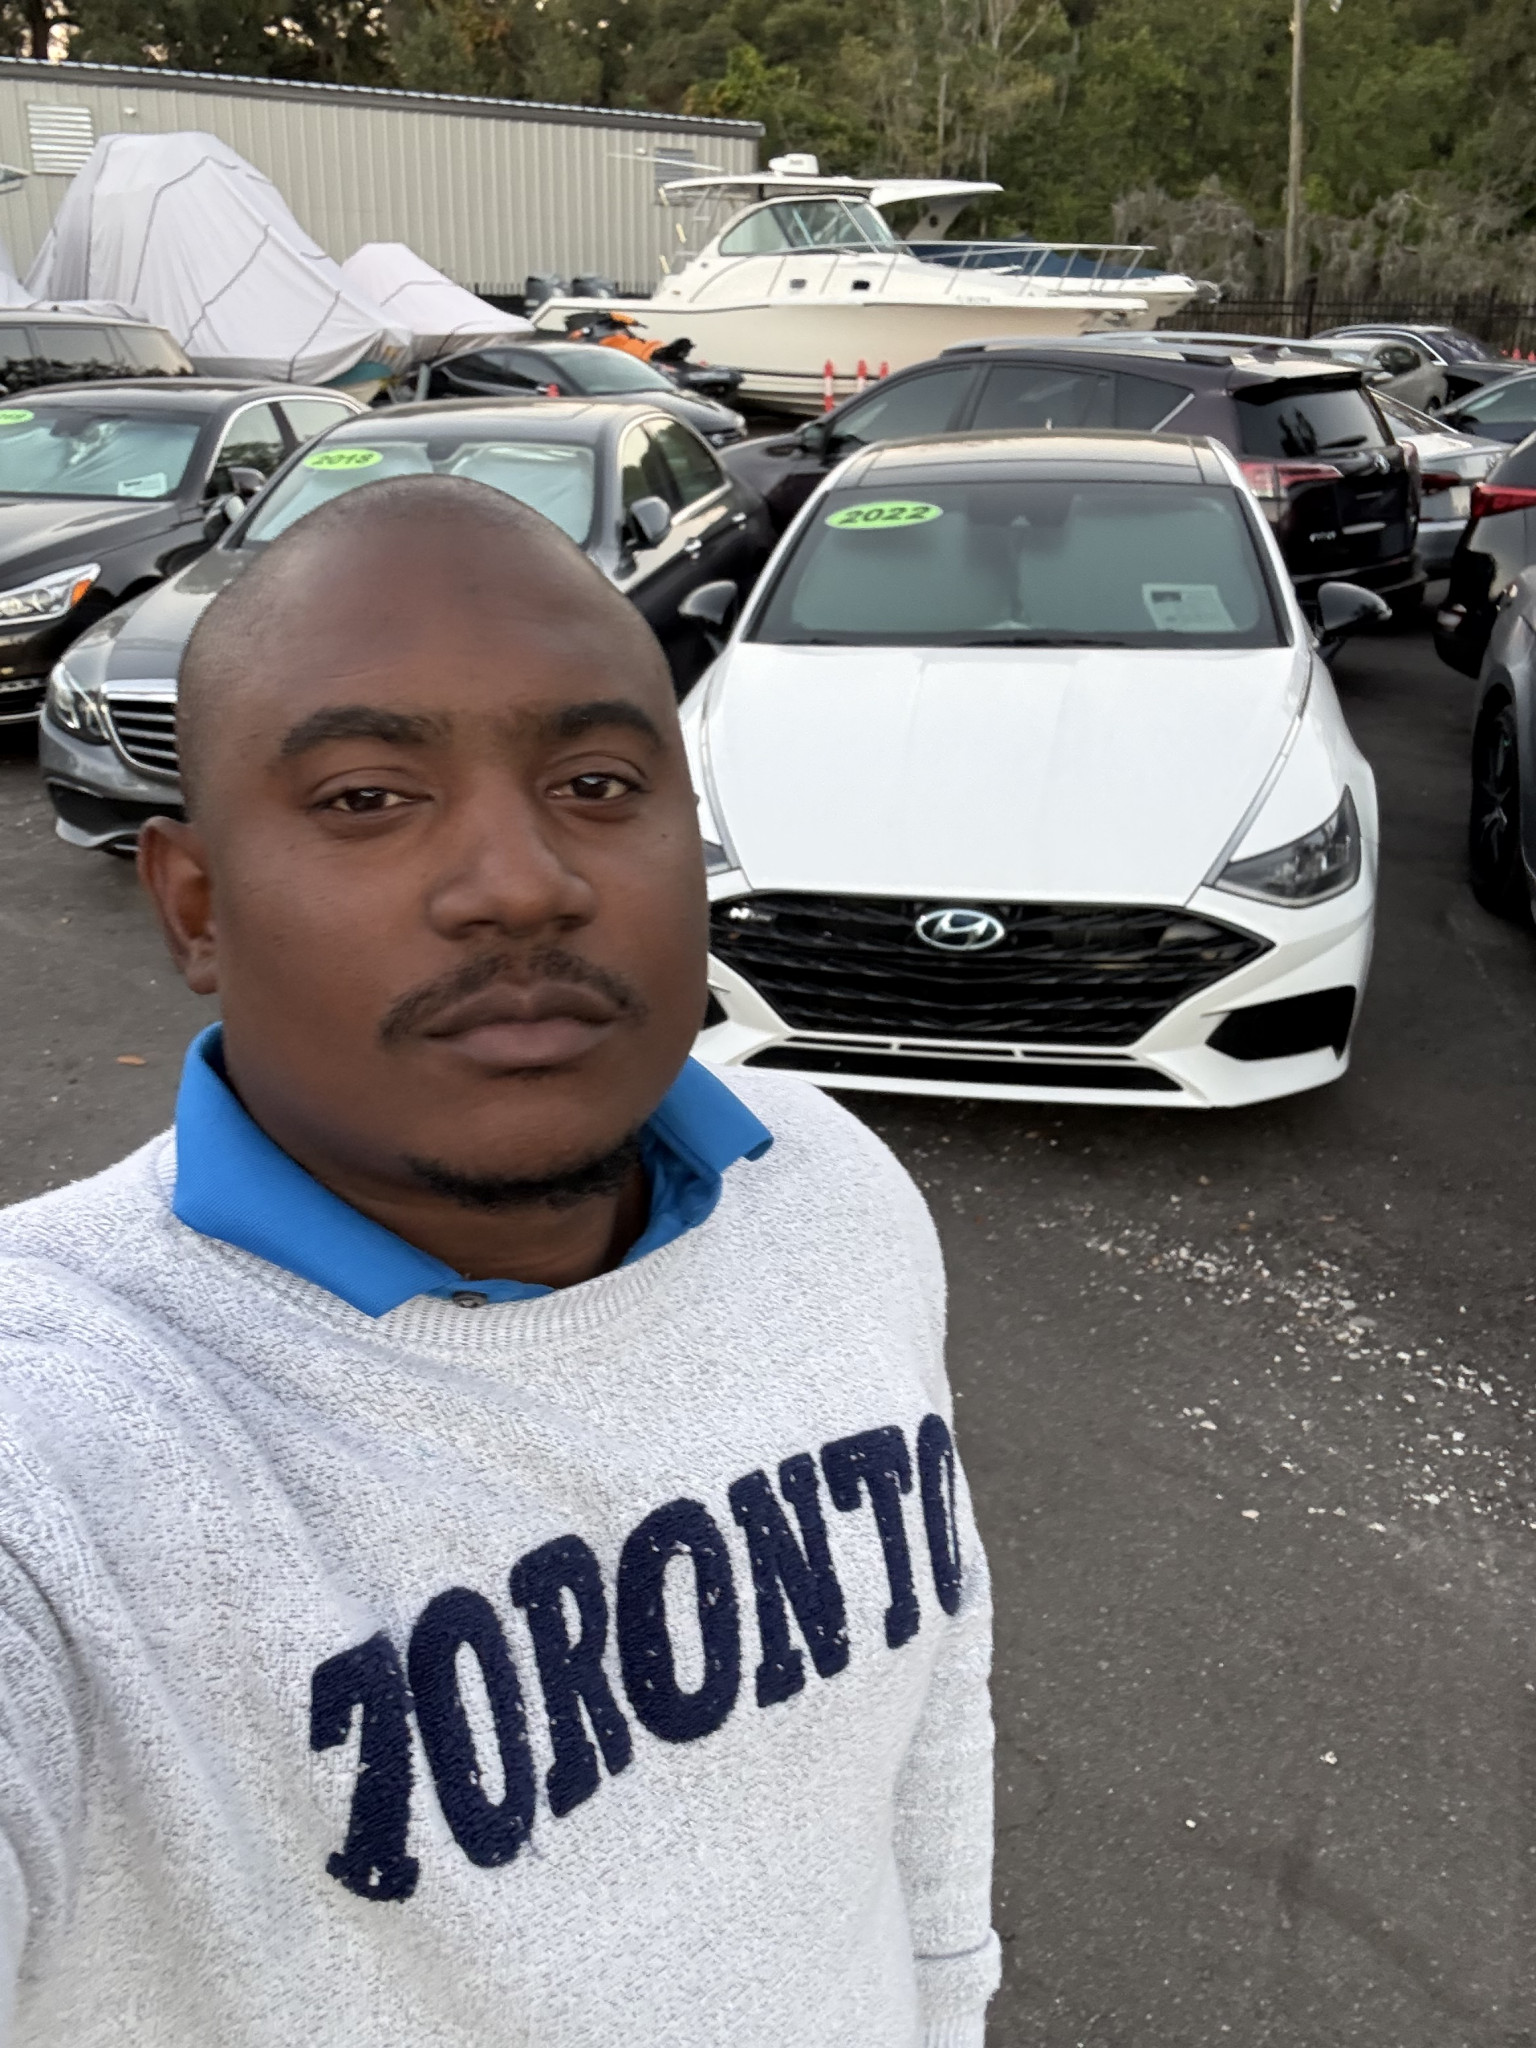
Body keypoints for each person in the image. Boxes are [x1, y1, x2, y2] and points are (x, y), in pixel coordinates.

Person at [0, 476, 998, 2046]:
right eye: (366, 798)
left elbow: (928, 1702)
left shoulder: (828, 1187)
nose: (524, 883)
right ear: (196, 907)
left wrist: (948, 1997)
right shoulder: (62, 1447)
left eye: (597, 782)